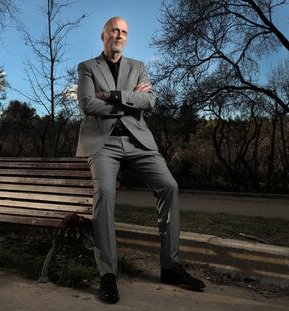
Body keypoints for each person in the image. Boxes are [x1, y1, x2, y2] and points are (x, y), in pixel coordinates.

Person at [76, 17, 205, 304]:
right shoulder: (87, 67)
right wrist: (131, 100)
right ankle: (108, 274)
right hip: (102, 143)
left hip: (138, 140)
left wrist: (112, 96)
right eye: (114, 31)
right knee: (106, 194)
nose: (119, 36)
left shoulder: (138, 67)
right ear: (103, 35)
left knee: (169, 186)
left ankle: (170, 267)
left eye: (124, 32)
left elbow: (150, 102)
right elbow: (87, 105)